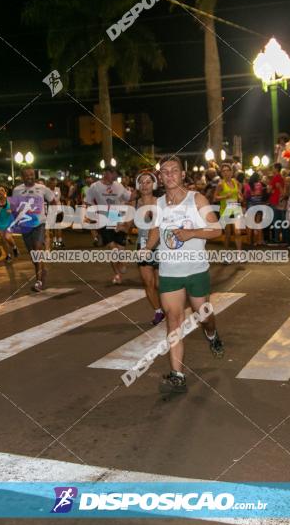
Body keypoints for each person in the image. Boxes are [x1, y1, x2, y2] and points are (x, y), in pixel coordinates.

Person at [142, 155, 223, 395]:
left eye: (174, 170)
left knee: (204, 315)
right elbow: (156, 230)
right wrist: (147, 249)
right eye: (164, 171)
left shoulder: (197, 199)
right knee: (173, 320)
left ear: (182, 174)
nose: (169, 175)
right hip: (169, 272)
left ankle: (212, 333)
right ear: (160, 176)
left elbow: (217, 229)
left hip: (196, 269)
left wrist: (192, 233)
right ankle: (178, 375)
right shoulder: (158, 204)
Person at [11, 167, 57, 292]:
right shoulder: (17, 190)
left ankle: (39, 281)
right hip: (25, 225)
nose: (30, 177)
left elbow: (53, 201)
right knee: (33, 255)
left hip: (39, 224)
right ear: (22, 177)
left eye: (32, 174)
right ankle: (42, 271)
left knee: (37, 250)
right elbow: (14, 207)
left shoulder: (42, 188)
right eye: (27, 175)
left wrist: (52, 216)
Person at [86, 166, 132, 284]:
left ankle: (120, 263)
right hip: (103, 219)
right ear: (106, 173)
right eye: (113, 173)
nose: (116, 176)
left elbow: (129, 197)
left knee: (120, 248)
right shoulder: (94, 187)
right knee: (112, 248)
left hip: (117, 218)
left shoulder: (118, 186)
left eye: (116, 173)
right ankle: (117, 274)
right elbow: (88, 202)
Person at [131, 171, 164, 325]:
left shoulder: (160, 202)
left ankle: (169, 307)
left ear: (154, 185)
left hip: (159, 246)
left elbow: (161, 225)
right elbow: (126, 223)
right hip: (142, 245)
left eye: (148, 182)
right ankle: (158, 311)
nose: (144, 185)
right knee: (148, 282)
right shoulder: (134, 203)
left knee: (160, 284)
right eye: (142, 182)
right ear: (138, 186)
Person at [213, 162, 243, 252]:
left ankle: (240, 254)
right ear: (221, 173)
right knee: (228, 234)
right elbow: (215, 198)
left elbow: (239, 191)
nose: (225, 173)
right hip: (225, 209)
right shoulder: (220, 184)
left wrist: (240, 196)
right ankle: (226, 254)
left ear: (231, 172)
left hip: (235, 207)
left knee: (238, 232)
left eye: (227, 170)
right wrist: (225, 197)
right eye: (223, 171)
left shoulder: (235, 181)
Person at [0, 186, 18, 262]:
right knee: (3, 240)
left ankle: (14, 247)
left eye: (2, 190)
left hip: (9, 221)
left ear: (5, 192)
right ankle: (8, 255)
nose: (0, 192)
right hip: (0, 222)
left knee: (7, 237)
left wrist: (11, 211)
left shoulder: (9, 201)